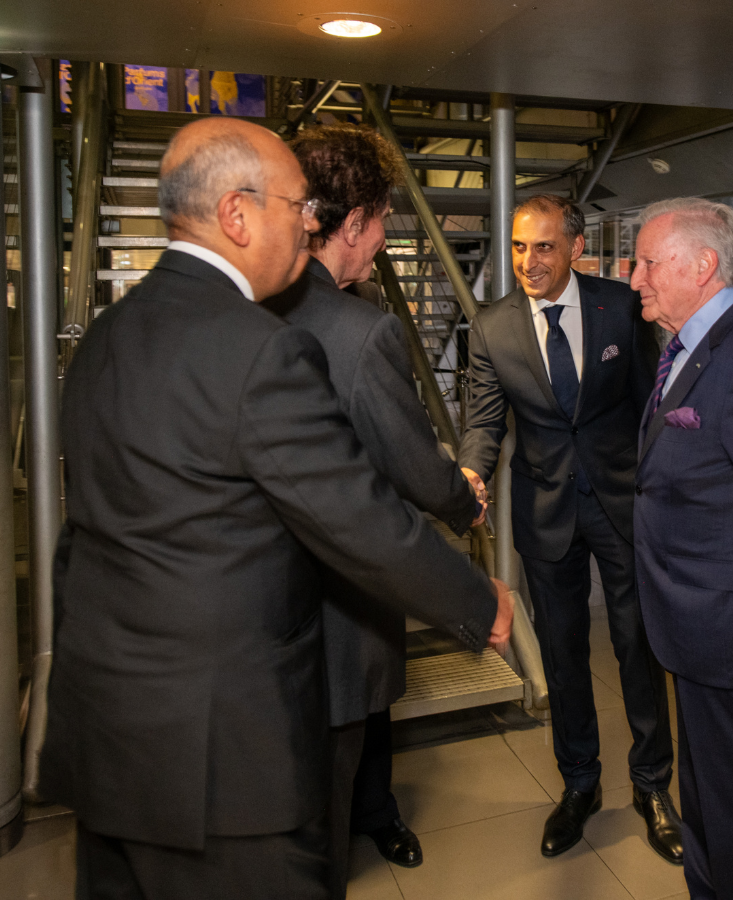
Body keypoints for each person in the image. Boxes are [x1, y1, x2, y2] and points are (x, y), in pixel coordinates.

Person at [41, 117, 513, 900]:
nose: (307, 221)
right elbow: (362, 522)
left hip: (108, 735)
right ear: (236, 214)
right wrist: (477, 600)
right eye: (296, 205)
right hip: (221, 755)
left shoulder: (107, 334)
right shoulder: (260, 349)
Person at [264, 124, 485, 895]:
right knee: (322, 801)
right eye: (383, 222)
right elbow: (414, 468)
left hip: (254, 614)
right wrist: (464, 498)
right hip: (338, 606)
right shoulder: (362, 333)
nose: (385, 241)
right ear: (352, 221)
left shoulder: (249, 306)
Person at [457, 194, 682, 863]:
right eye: (520, 247)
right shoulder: (491, 326)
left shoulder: (620, 305)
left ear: (576, 247)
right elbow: (484, 421)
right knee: (563, 651)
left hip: (622, 503)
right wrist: (471, 472)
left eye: (545, 247)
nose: (529, 262)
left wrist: (665, 487)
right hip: (546, 510)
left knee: (638, 643)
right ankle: (579, 783)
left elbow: (652, 403)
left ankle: (652, 786)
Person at [630, 197, 733, 900]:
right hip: (696, 634)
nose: (631, 277)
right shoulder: (690, 345)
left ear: (702, 265)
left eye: (644, 262)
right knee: (708, 812)